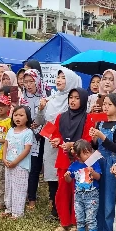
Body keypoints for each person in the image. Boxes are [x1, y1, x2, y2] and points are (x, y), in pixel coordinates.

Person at [36, 68, 82, 220]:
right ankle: (55, 208)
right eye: (58, 77)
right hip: (50, 141)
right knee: (52, 174)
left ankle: (69, 210)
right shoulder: (52, 98)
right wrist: (41, 109)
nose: (59, 80)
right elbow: (41, 121)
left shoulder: (78, 102)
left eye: (63, 77)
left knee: (67, 176)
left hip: (67, 145)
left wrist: (63, 141)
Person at [51, 88, 93, 231]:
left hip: (81, 161)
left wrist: (73, 145)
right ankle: (64, 222)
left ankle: (77, 224)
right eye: (71, 97)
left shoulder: (88, 119)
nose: (73, 101)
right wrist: (57, 141)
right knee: (63, 191)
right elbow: (57, 135)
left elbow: (88, 141)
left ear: (83, 100)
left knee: (79, 193)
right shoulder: (60, 117)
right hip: (63, 160)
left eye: (77, 98)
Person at [89, 93, 116, 231]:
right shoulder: (100, 123)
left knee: (110, 197)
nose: (105, 107)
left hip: (111, 162)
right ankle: (97, 228)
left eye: (109, 104)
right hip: (99, 160)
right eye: (104, 104)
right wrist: (94, 140)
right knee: (97, 193)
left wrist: (102, 137)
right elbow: (96, 147)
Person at [67, 139, 102, 231]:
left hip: (92, 196)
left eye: (89, 151)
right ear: (77, 155)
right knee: (80, 217)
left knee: (90, 218)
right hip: (78, 196)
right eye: (85, 153)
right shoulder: (74, 166)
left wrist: (93, 172)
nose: (89, 154)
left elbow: (99, 177)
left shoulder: (94, 163)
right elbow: (69, 180)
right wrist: (67, 176)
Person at [1, 105, 34, 219]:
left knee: (19, 188)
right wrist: (4, 158)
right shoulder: (10, 130)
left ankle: (17, 212)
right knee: (9, 186)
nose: (17, 118)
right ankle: (9, 208)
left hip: (20, 165)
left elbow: (26, 149)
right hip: (8, 164)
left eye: (21, 115)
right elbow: (6, 144)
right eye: (15, 115)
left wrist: (15, 162)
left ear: (27, 118)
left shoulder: (28, 132)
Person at [18, 69, 45, 209]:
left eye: (31, 81)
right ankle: (22, 195)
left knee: (34, 167)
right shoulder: (22, 97)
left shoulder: (45, 96)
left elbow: (48, 118)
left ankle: (32, 198)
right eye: (26, 81)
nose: (28, 85)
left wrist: (39, 127)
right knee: (23, 166)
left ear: (37, 81)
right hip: (24, 135)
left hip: (40, 137)